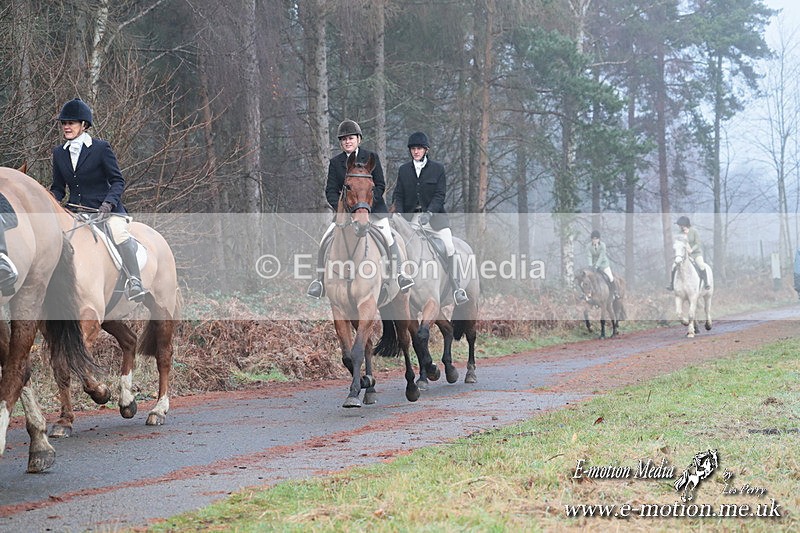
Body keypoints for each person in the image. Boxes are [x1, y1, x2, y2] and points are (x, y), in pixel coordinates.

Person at [50, 98, 147, 302]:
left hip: (106, 209)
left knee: (118, 233)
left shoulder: (101, 148)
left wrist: (107, 204)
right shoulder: (59, 153)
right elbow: (58, 188)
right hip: (75, 211)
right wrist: (49, 203)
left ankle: (135, 280)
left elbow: (117, 181)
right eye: (64, 123)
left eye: (71, 123)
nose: (66, 127)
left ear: (83, 125)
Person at [306, 119, 414, 298]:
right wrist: (342, 209)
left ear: (358, 139)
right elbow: (331, 190)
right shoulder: (335, 163)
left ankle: (401, 274)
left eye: (351, 138)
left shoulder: (371, 157)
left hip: (373, 210)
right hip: (346, 214)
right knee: (324, 239)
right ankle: (319, 281)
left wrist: (366, 205)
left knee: (389, 236)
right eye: (343, 139)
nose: (347, 141)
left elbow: (380, 185)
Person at [392, 131, 469, 306]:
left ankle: (457, 288)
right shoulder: (404, 170)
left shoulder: (437, 169)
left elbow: (440, 195)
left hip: (435, 220)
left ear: (426, 150)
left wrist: (429, 213)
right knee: (399, 246)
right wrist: (400, 216)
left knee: (449, 246)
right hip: (411, 220)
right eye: (413, 149)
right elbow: (398, 195)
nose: (416, 151)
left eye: (419, 148)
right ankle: (400, 282)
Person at [667, 215, 710, 291]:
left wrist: (692, 250)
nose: (680, 227)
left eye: (681, 225)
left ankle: (706, 283)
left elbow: (698, 243)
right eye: (679, 225)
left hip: (696, 254)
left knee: (701, 265)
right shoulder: (679, 233)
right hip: (684, 255)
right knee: (674, 266)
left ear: (686, 225)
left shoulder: (694, 231)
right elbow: (678, 243)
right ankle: (672, 285)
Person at [587, 230, 619, 299]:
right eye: (593, 239)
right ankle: (587, 294)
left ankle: (615, 292)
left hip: (603, 265)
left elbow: (601, 256)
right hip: (593, 265)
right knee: (588, 279)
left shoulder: (603, 245)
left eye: (596, 239)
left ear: (599, 239)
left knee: (610, 277)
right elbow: (589, 256)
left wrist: (597, 266)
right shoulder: (589, 246)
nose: (594, 240)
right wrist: (590, 265)